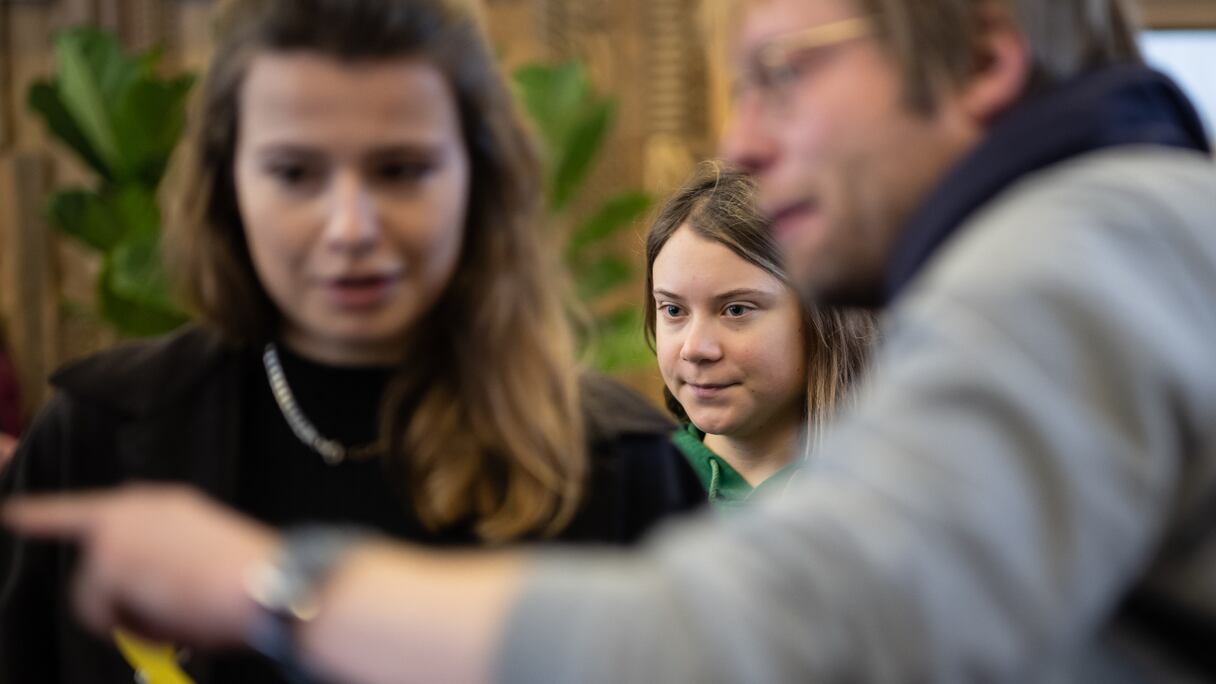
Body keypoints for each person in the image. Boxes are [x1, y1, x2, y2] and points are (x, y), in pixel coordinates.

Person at [6, 0, 1216, 682]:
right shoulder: (104, 430)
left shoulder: (1077, 247)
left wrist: (271, 590)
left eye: (781, 73)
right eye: (293, 171)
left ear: (984, 58)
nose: (738, 139)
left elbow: (805, 639)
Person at [0, 0, 703, 681]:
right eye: (295, 173)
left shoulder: (622, 470)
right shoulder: (93, 443)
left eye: (400, 170)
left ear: (481, 180)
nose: (350, 227)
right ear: (226, 187)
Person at [645, 163, 873, 508]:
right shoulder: (632, 487)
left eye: (736, 310)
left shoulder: (886, 492)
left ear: (820, 318)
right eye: (674, 310)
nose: (695, 349)